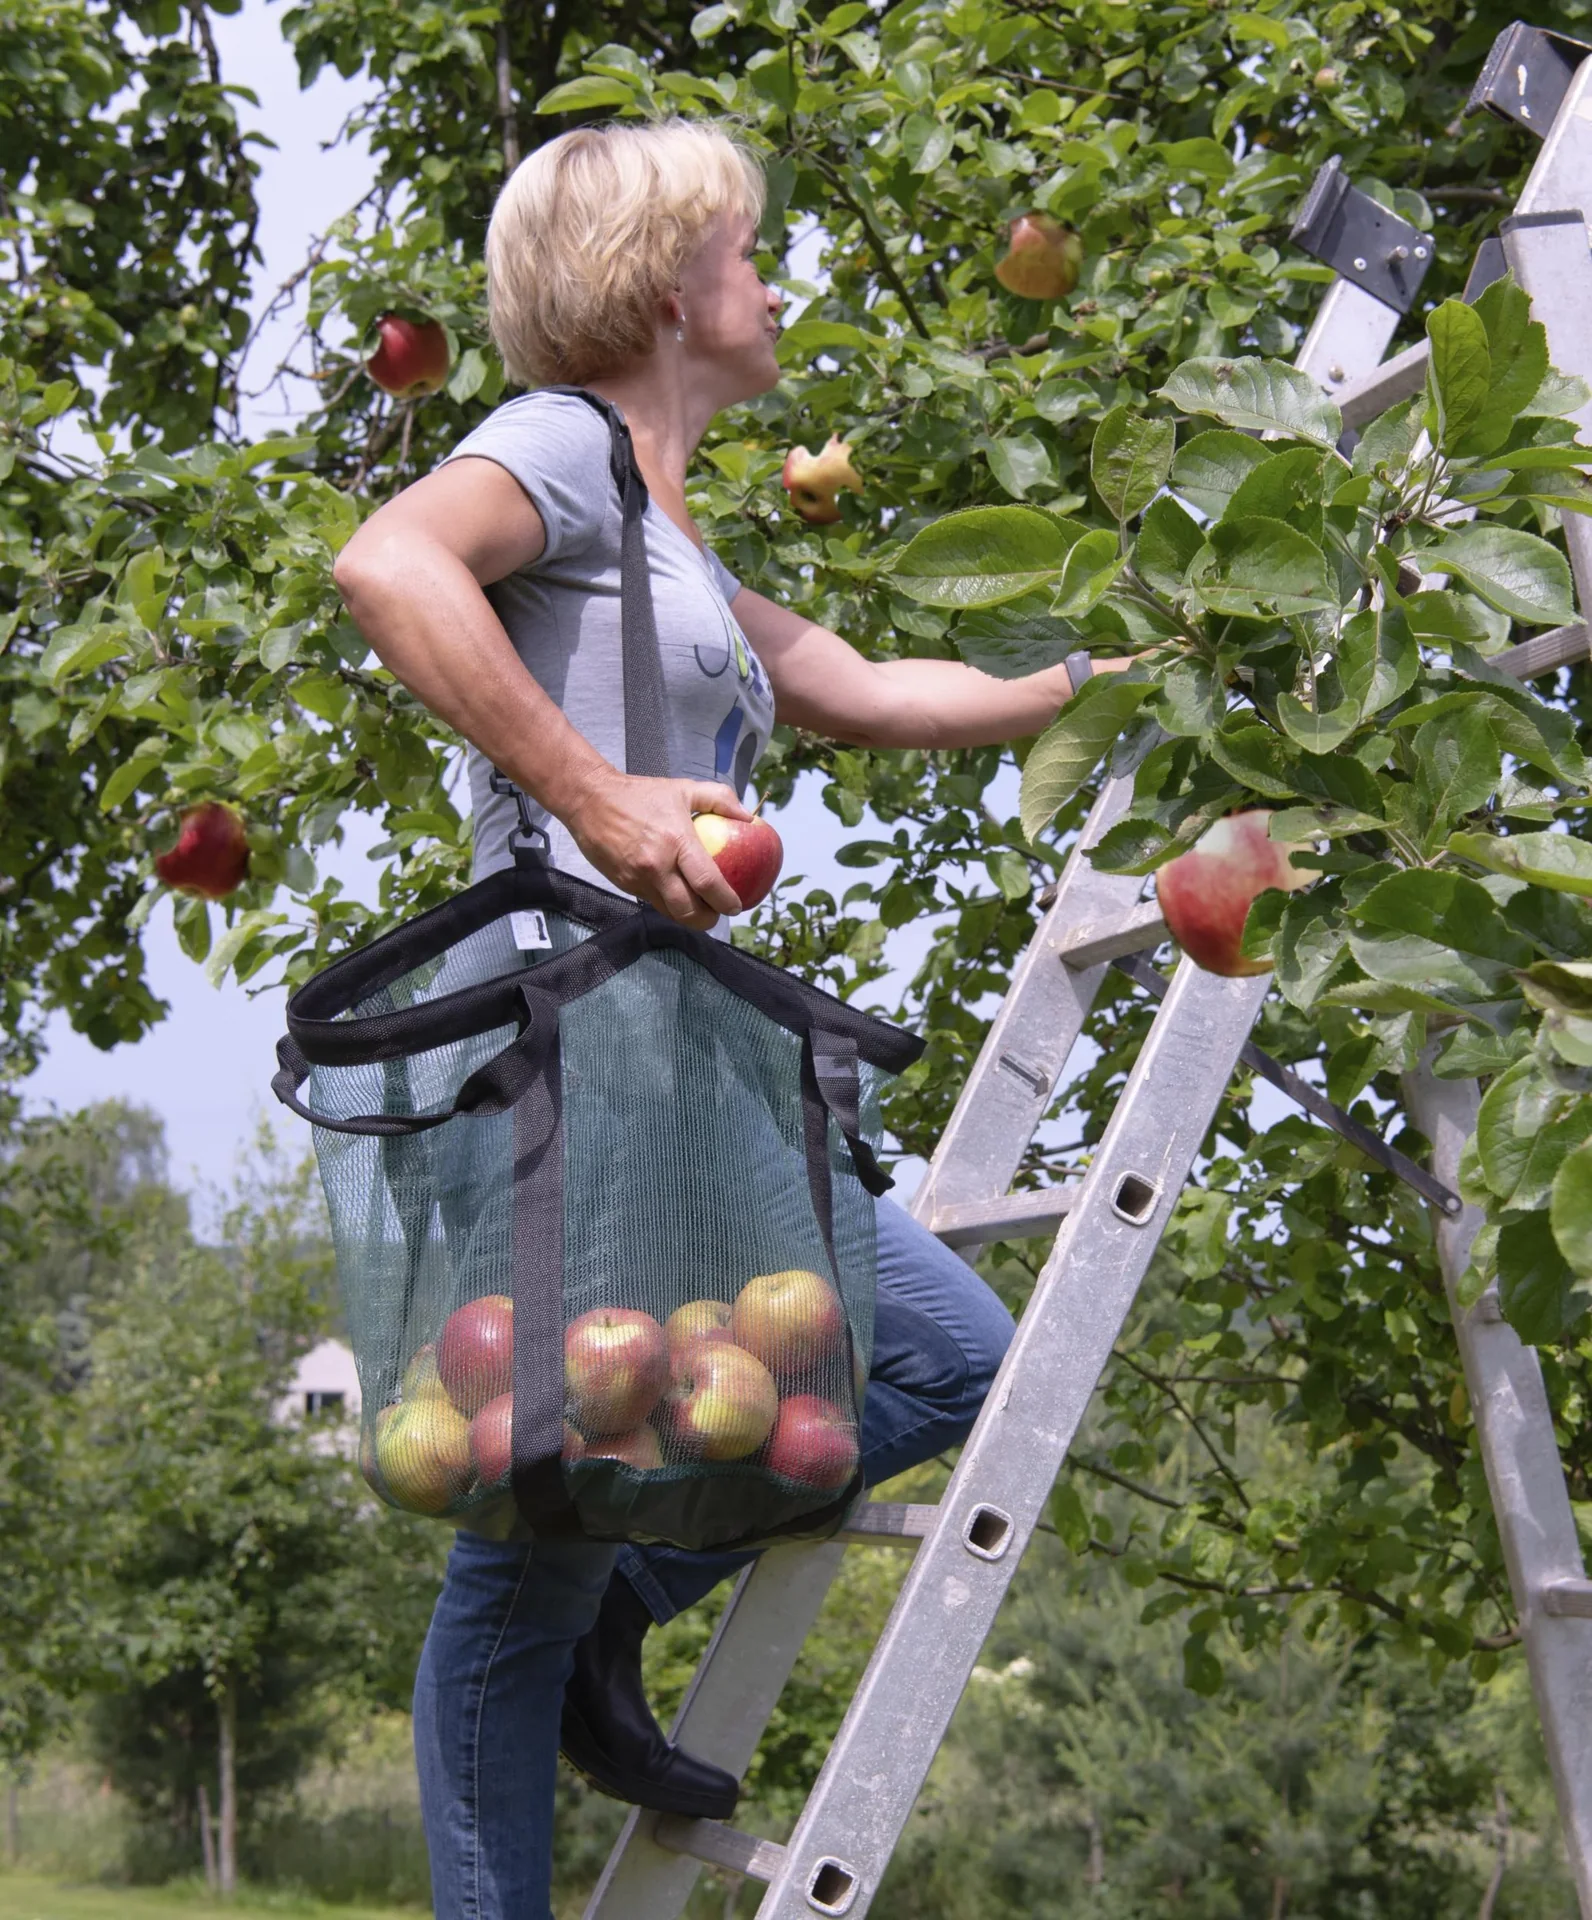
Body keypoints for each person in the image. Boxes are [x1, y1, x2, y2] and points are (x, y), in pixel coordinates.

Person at [333, 118, 1108, 1920]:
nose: (774, 283)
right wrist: (600, 800)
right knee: (532, 1533)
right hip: (570, 1045)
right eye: (750, 252)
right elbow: (390, 566)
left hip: (686, 1052)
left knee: (939, 1359)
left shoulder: (669, 531)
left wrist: (1113, 676)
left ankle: (618, 1623)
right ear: (668, 283)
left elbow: (869, 687)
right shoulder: (562, 451)